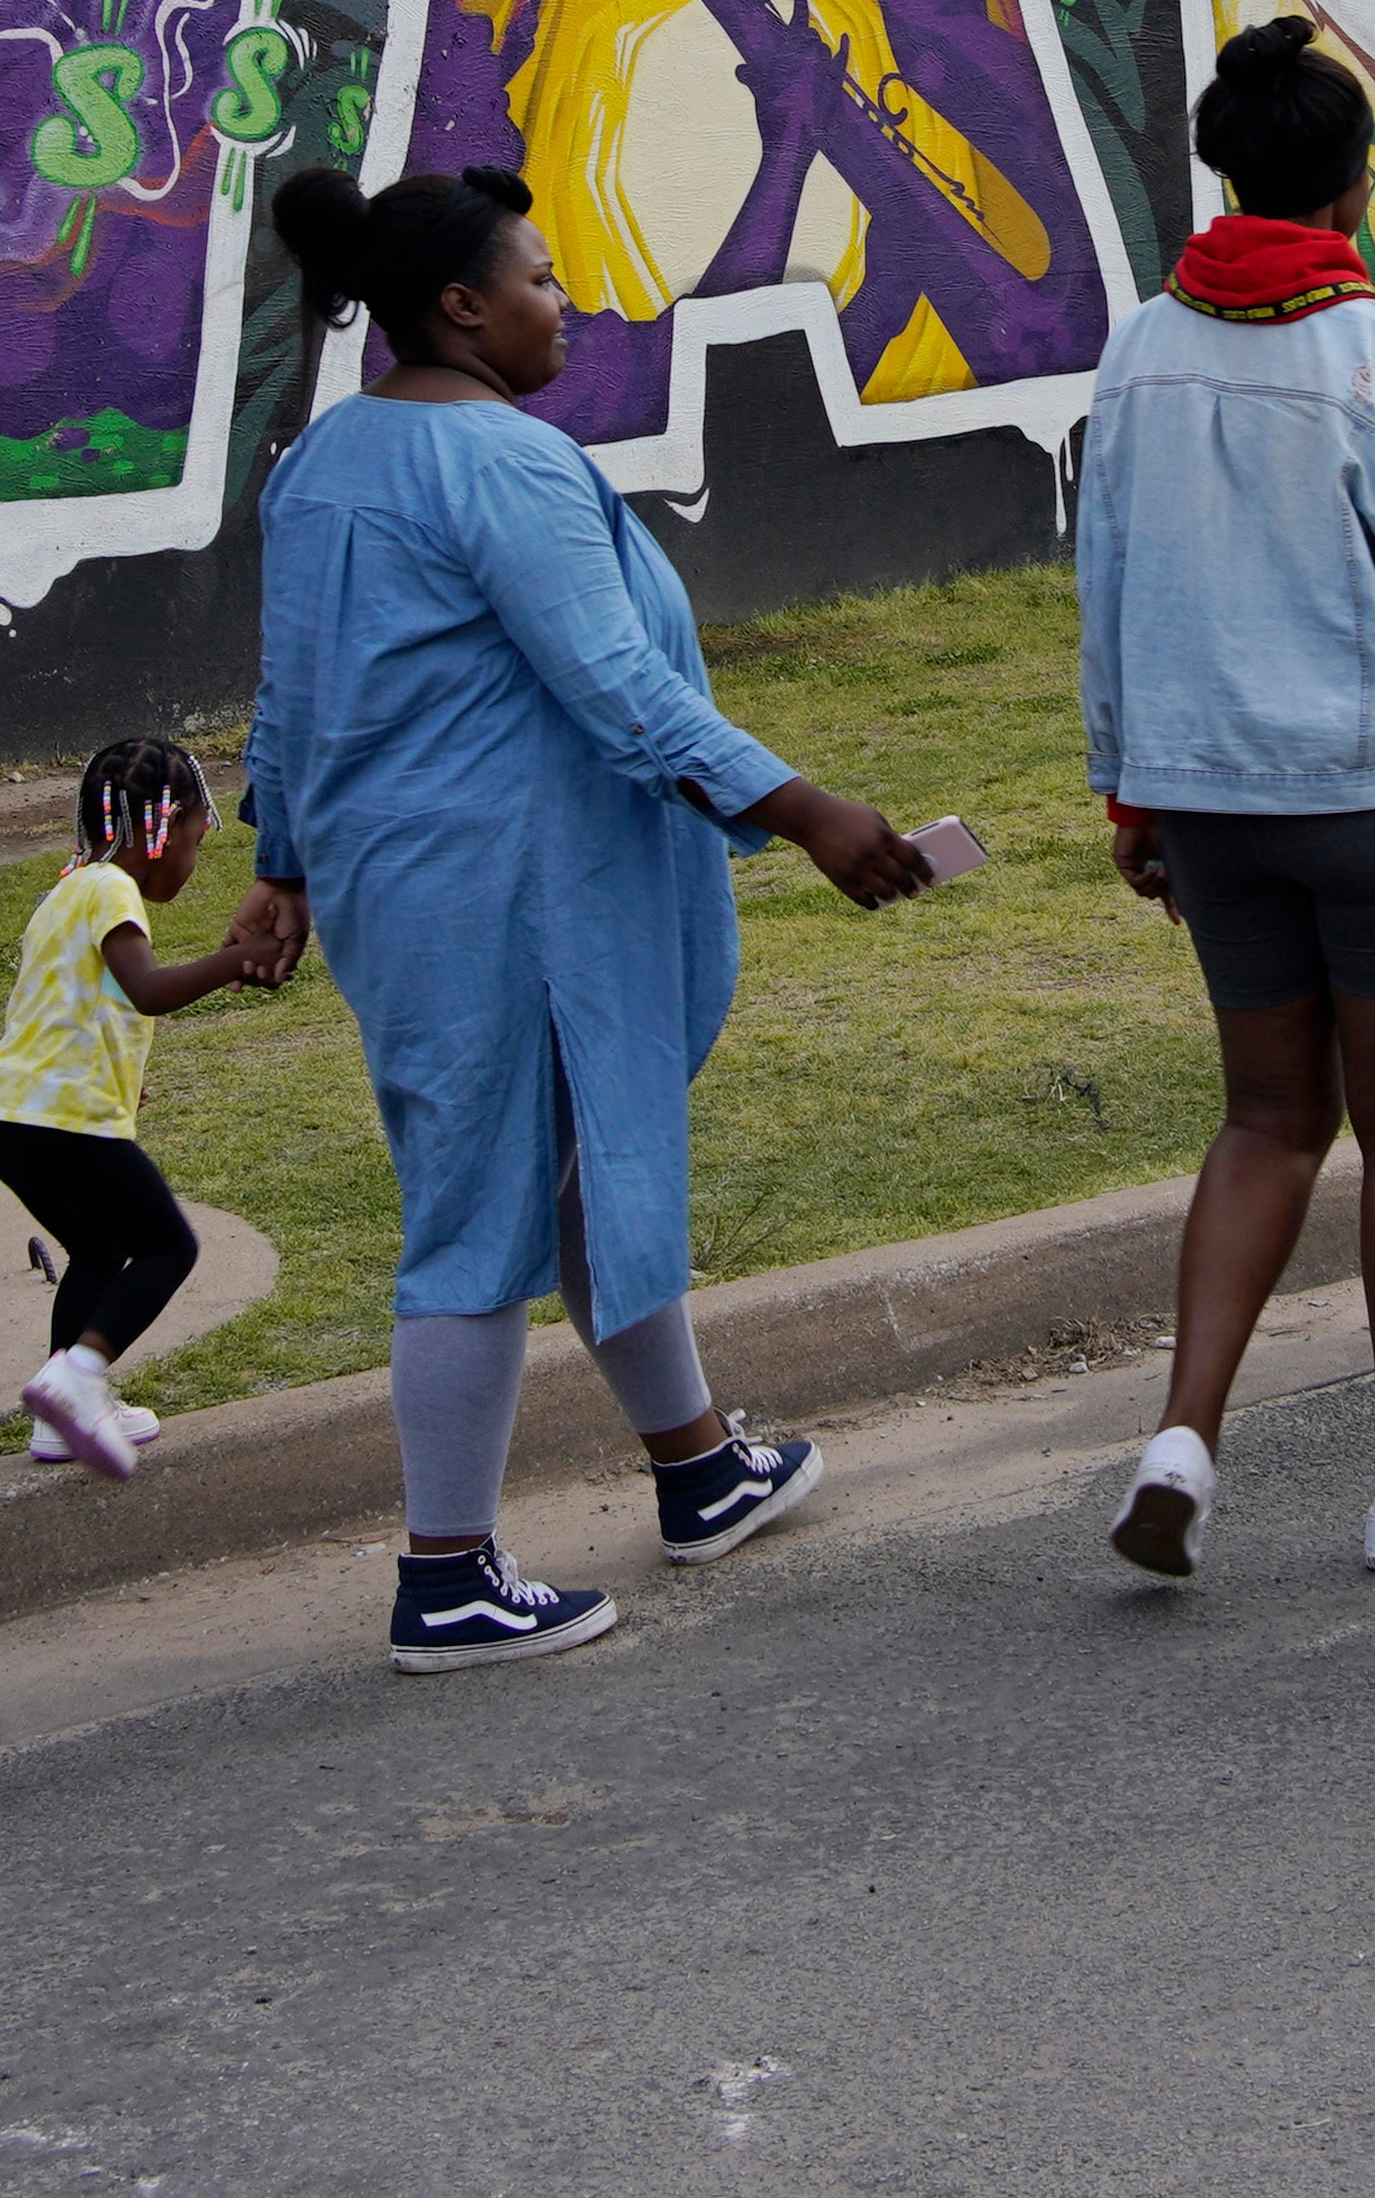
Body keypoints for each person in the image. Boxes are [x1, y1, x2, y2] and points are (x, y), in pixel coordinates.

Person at [243, 162, 934, 1673]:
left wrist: (284, 861)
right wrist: (804, 810)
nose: (571, 304)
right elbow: (618, 691)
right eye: (544, 277)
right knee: (480, 1217)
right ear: (461, 305)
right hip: (510, 896)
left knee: (569, 1171)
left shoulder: (320, 461)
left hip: (402, 885)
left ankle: (698, 1466)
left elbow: (290, 694)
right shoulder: (503, 463)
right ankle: (448, 1577)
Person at [1078, 17, 1375, 1588]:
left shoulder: (1140, 349)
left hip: (1203, 799)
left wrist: (1127, 787)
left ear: (1224, 170)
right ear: (1360, 189)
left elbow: (1108, 584)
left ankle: (1183, 1435)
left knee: (1266, 1118)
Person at [0, 737, 295, 1479]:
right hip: (64, 1123)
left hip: (12, 1121)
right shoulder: (114, 892)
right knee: (168, 1247)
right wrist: (236, 960)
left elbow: (65, 1007)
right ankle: (78, 1375)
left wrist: (119, 1074)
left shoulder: (67, 889)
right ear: (165, 829)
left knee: (97, 1248)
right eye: (194, 839)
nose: (192, 856)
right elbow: (144, 991)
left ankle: (66, 1413)